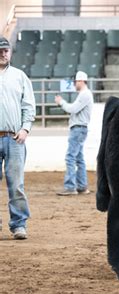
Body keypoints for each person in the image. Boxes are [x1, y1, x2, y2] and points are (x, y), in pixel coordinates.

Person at [0, 36, 36, 239]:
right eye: (0, 51)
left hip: (14, 139)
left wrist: (25, 129)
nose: (3, 53)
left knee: (16, 185)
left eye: (6, 50)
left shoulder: (20, 76)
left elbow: (29, 105)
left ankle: (19, 224)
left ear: (10, 52)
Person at [55, 71, 94, 196]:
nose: (75, 84)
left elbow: (72, 109)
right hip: (81, 128)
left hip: (78, 128)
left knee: (71, 157)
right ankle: (82, 186)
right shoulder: (85, 94)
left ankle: (70, 186)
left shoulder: (84, 94)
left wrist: (61, 102)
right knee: (79, 158)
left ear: (81, 81)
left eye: (76, 81)